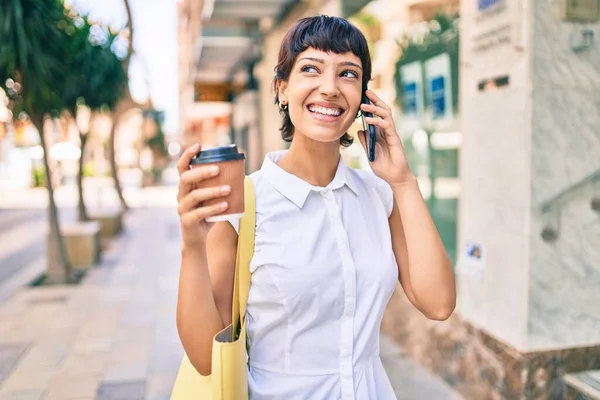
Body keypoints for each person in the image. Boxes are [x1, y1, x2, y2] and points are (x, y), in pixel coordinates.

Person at [175, 15, 456, 399]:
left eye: (348, 74)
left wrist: (403, 181)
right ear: (282, 88)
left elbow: (438, 303)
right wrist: (192, 245)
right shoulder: (245, 205)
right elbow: (207, 358)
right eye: (310, 69)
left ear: (365, 99)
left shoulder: (379, 195)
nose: (330, 89)